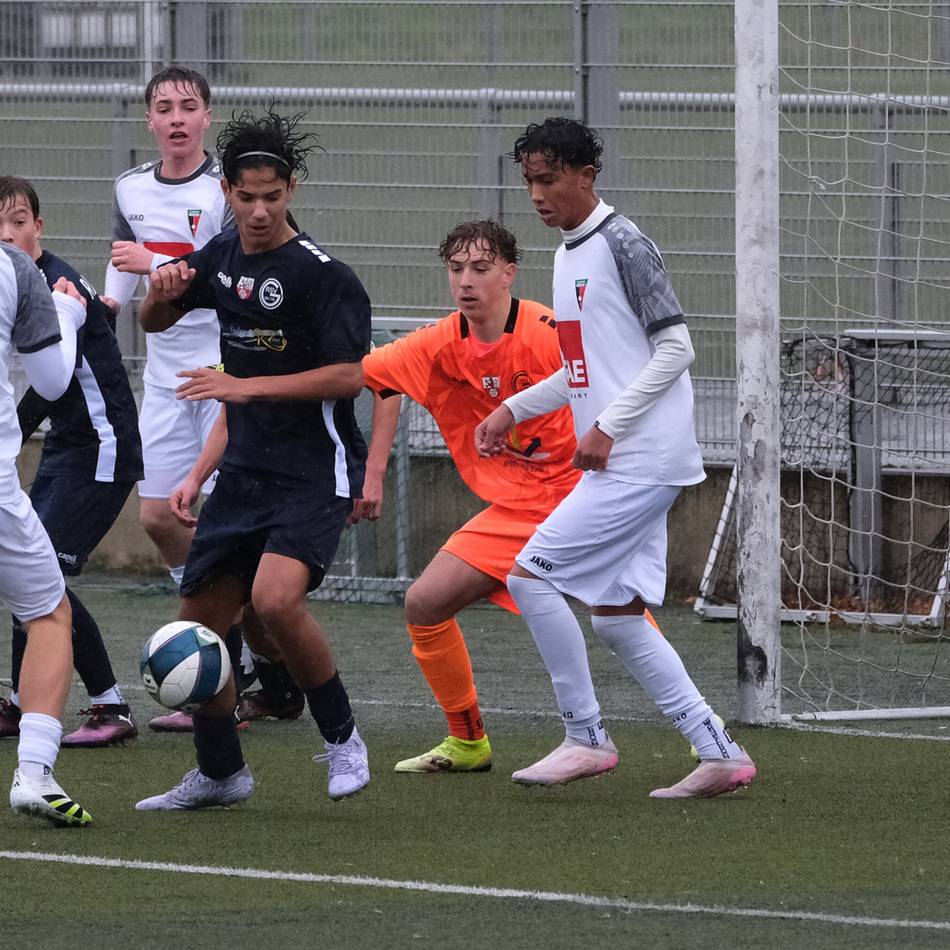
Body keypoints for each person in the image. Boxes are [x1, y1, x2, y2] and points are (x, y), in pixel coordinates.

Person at [476, 117, 757, 797]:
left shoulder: (625, 244)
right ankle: (718, 752)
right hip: (626, 459)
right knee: (618, 618)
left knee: (530, 577)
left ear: (585, 175)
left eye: (548, 179)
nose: (537, 194)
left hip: (642, 459)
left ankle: (584, 736)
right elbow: (584, 367)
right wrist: (517, 407)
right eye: (529, 181)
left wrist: (606, 424)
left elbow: (678, 348)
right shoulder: (568, 252)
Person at [357, 219, 668, 773]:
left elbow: (622, 383)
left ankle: (698, 732)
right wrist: (257, 380)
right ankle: (468, 741)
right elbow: (368, 375)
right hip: (513, 510)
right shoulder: (438, 342)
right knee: (425, 604)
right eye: (456, 270)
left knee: (617, 610)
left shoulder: (548, 335)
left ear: (509, 273)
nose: (466, 281)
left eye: (480, 268)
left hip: (578, 495)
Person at [133, 105, 372, 810]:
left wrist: (246, 386)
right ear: (227, 196)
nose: (260, 210)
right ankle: (220, 773)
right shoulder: (221, 256)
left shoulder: (324, 276)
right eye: (247, 197)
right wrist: (158, 292)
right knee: (198, 624)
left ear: (291, 190)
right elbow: (152, 322)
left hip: (312, 469)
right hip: (243, 472)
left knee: (273, 600)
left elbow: (349, 376)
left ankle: (342, 739)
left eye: (272, 196)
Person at [102, 65, 300, 731]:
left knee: (233, 527)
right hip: (164, 379)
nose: (177, 117)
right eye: (165, 107)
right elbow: (121, 275)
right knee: (159, 516)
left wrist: (155, 263)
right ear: (151, 120)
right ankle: (238, 654)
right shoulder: (130, 187)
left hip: (230, 371)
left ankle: (244, 668)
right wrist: (93, 304)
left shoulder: (232, 188)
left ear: (207, 116)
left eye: (189, 105)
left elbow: (231, 262)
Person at [0, 177, 143, 747]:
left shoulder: (56, 283)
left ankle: (110, 705)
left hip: (102, 449)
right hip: (69, 446)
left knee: (44, 575)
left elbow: (51, 384)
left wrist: (13, 430)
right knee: (25, 571)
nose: (7, 233)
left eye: (17, 221)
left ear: (39, 225)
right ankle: (18, 702)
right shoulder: (16, 277)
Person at [1, 241, 91, 824]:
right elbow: (53, 382)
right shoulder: (14, 267)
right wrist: (70, 312)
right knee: (49, 613)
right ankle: (34, 771)